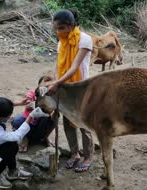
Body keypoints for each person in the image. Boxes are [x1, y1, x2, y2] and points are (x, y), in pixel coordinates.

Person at [43, 9, 94, 172]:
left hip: (80, 87)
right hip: (64, 87)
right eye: (56, 29)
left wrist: (57, 83)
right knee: (67, 123)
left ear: (71, 26)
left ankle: (88, 156)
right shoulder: (61, 41)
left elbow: (74, 67)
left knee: (83, 123)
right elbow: (60, 65)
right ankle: (74, 154)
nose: (58, 32)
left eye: (61, 28)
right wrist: (56, 82)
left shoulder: (85, 40)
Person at [11, 76, 56, 152]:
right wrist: (35, 105)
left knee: (54, 119)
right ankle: (25, 137)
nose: (47, 88)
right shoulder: (33, 93)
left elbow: (50, 113)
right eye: (45, 85)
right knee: (17, 120)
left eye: (49, 86)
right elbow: (28, 106)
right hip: (28, 123)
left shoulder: (51, 97)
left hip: (40, 126)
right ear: (39, 86)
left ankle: (46, 137)